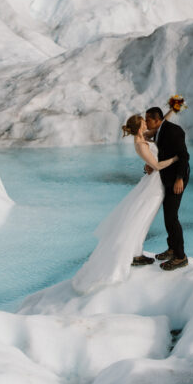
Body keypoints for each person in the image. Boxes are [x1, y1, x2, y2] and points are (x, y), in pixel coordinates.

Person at [70, 114, 179, 295]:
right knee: (140, 218)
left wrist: (171, 110)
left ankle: (137, 252)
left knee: (143, 219)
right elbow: (157, 166)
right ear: (139, 127)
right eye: (144, 122)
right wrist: (175, 159)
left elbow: (160, 126)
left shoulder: (143, 137)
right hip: (154, 186)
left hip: (153, 183)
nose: (147, 123)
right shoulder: (140, 143)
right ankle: (132, 254)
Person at [144, 105, 190, 271]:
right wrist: (151, 166)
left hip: (177, 178)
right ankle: (172, 248)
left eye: (148, 119)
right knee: (168, 216)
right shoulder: (159, 130)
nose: (146, 122)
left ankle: (180, 256)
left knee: (172, 217)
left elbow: (184, 156)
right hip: (167, 176)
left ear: (157, 120)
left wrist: (179, 179)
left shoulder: (173, 130)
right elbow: (161, 153)